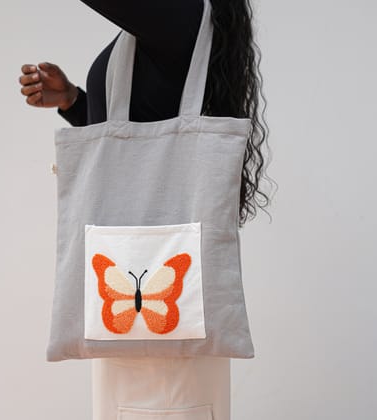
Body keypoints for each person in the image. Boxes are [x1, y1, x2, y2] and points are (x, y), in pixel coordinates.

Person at [18, 1, 272, 418]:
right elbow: (136, 141)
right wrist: (75, 102)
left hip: (170, 354)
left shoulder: (182, 14)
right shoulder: (170, 24)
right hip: (127, 333)